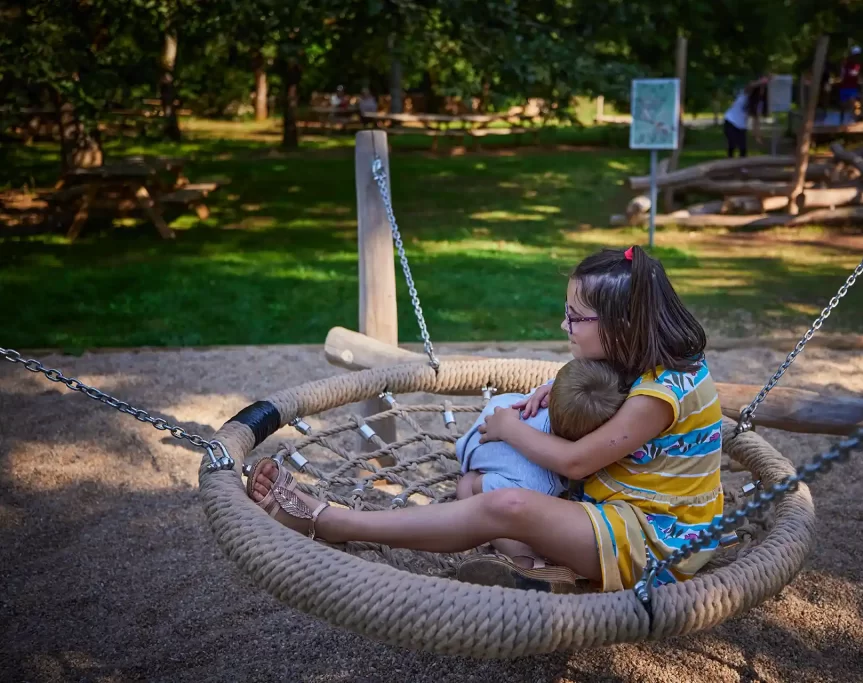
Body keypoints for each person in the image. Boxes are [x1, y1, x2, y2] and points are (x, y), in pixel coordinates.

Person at [245, 245, 725, 594]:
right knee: (474, 485)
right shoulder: (647, 354)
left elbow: (577, 463)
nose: (565, 327)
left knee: (508, 505)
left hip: (658, 541)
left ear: (622, 325)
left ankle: (336, 523)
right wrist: (556, 389)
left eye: (576, 317)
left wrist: (508, 428)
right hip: (615, 508)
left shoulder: (660, 394)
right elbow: (614, 388)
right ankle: (527, 570)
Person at [454, 358, 627, 572]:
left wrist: (547, 387)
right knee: (468, 487)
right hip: (477, 451)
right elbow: (482, 486)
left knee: (466, 487)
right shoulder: (540, 483)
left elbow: (571, 386)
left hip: (506, 408)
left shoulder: (550, 399)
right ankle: (528, 561)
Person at [722, 76, 768, 158]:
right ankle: (729, 162)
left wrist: (757, 136)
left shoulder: (759, 103)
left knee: (743, 148)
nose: (762, 92)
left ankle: (741, 168)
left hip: (741, 126)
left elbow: (756, 121)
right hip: (730, 121)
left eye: (764, 90)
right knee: (732, 143)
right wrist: (761, 81)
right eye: (761, 89)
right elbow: (750, 85)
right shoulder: (745, 94)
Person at [838, 46, 863, 124]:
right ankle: (841, 120)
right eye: (855, 55)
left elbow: (856, 74)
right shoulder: (845, 63)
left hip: (852, 87)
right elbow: (842, 73)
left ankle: (852, 120)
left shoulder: (858, 65)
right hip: (844, 86)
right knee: (843, 105)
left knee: (852, 103)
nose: (856, 57)